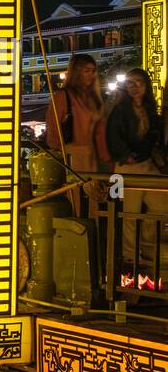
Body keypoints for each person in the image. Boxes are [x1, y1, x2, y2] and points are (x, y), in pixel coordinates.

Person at [105, 67, 168, 270]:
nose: (134, 87)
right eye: (130, 83)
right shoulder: (119, 109)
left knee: (160, 207)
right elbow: (112, 135)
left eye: (138, 82)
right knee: (127, 213)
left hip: (148, 163)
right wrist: (125, 155)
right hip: (126, 167)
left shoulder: (150, 108)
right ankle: (129, 256)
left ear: (146, 85)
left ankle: (147, 247)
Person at [45, 53, 103, 214]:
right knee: (78, 209)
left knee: (94, 211)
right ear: (76, 72)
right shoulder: (63, 97)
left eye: (93, 71)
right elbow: (52, 137)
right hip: (73, 161)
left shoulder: (93, 98)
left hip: (93, 161)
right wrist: (73, 148)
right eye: (86, 71)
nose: (91, 75)